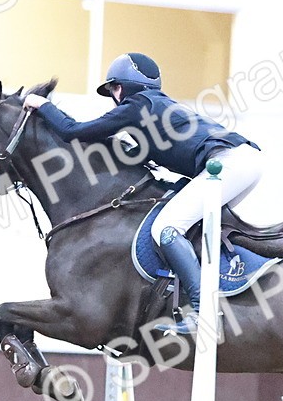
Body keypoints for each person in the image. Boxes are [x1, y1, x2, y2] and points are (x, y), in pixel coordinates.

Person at [23, 52, 263, 335]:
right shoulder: (157, 106)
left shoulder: (135, 106)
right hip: (245, 161)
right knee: (193, 226)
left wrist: (43, 105)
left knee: (167, 227)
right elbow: (142, 154)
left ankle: (202, 312)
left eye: (113, 88)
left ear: (122, 86)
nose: (113, 96)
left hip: (227, 164)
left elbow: (72, 131)